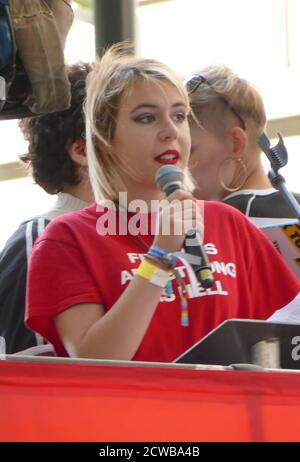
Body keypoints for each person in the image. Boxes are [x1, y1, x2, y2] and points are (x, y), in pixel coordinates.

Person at [25, 43, 300, 363]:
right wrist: (158, 258)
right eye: (146, 118)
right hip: (134, 412)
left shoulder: (228, 223)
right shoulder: (67, 238)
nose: (171, 131)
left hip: (227, 411)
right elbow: (94, 359)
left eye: (180, 115)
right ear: (104, 137)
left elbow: (284, 340)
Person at [0, 62, 94, 354]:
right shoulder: (41, 238)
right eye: (140, 120)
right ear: (81, 151)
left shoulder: (140, 233)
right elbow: (36, 373)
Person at [185, 65, 300, 218]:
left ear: (235, 143)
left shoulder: (222, 224)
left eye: (188, 152)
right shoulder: (293, 206)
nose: (179, 166)